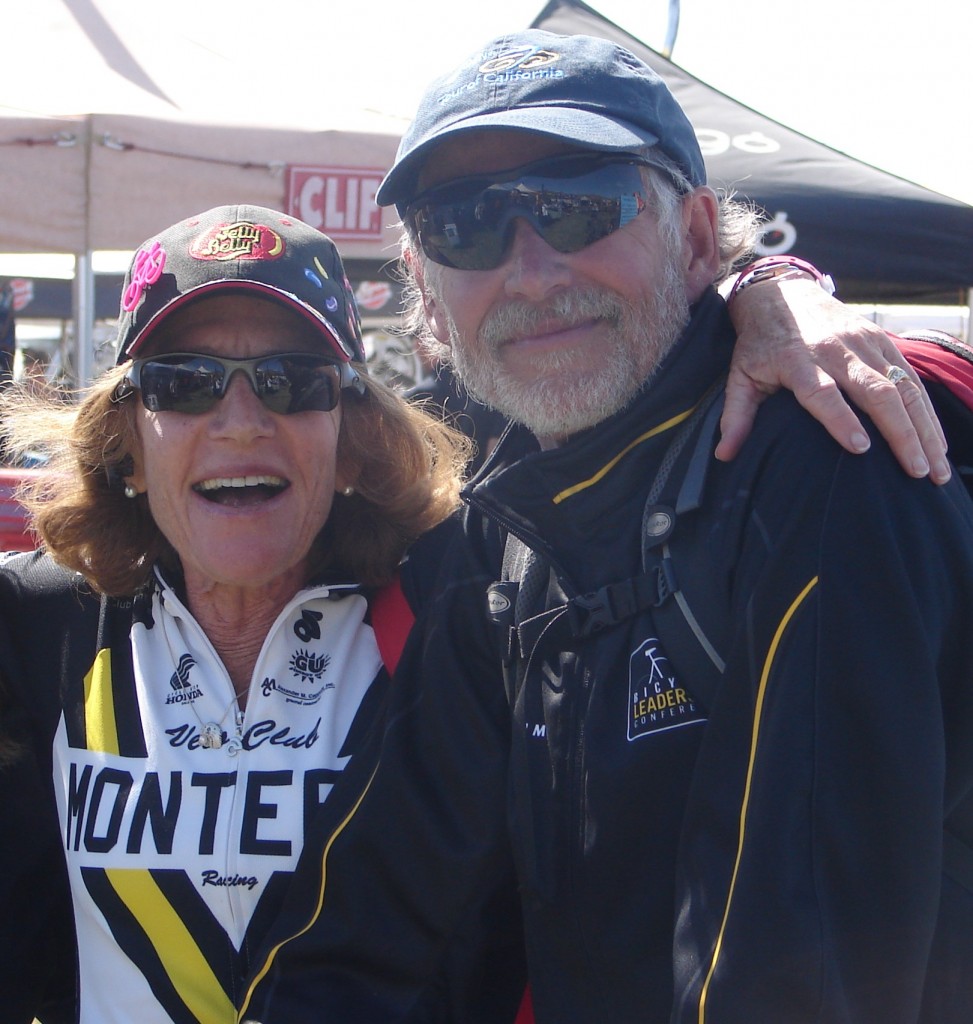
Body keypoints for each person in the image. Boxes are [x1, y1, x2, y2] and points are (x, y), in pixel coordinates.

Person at [238, 31, 973, 1024]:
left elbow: (794, 972)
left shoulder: (824, 466)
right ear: (426, 293)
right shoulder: (502, 539)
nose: (531, 272)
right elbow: (379, 917)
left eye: (579, 206)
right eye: (464, 227)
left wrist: (778, 284)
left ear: (699, 240)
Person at [0, 204, 470, 1024]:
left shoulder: (456, 623)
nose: (242, 423)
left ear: (352, 437)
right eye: (184, 383)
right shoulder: (37, 626)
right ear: (126, 443)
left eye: (292, 380)